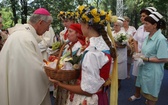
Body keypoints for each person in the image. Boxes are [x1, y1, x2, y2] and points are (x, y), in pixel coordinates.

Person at [49, 5, 115, 105]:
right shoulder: (104, 46)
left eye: (81, 24)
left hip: (89, 100)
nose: (80, 27)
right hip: (101, 95)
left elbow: (87, 90)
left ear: (87, 26)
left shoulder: (92, 53)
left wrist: (60, 84)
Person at [0, 8, 53, 105]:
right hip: (20, 89)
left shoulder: (20, 34)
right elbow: (34, 72)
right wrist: (51, 74)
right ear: (40, 22)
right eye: (48, 25)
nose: (48, 29)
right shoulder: (25, 38)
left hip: (14, 84)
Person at [135, 11, 168, 105]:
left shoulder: (161, 39)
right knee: (147, 95)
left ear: (154, 25)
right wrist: (138, 55)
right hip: (145, 69)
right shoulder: (148, 36)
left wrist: (147, 59)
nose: (144, 26)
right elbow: (146, 52)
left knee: (152, 97)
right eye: (144, 23)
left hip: (153, 72)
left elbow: (165, 58)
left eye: (147, 23)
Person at [129, 7, 157, 101]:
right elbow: (135, 40)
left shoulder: (154, 30)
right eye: (141, 16)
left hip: (148, 57)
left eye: (144, 16)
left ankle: (148, 96)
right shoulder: (140, 28)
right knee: (137, 76)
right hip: (139, 56)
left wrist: (143, 55)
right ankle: (137, 94)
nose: (141, 18)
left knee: (147, 78)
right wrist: (137, 52)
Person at [54, 23, 86, 105]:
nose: (67, 33)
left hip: (71, 81)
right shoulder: (69, 46)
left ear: (78, 33)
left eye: (70, 31)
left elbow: (78, 66)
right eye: (68, 31)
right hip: (64, 78)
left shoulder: (80, 47)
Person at [112, 17, 127, 89]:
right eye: (114, 25)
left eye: (116, 25)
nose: (114, 26)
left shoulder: (123, 34)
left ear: (120, 26)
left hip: (120, 54)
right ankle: (111, 82)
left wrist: (117, 45)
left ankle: (118, 84)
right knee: (112, 69)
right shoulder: (111, 32)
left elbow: (124, 45)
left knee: (119, 71)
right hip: (112, 54)